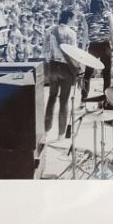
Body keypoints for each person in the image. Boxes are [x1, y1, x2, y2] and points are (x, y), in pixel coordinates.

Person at [44, 9, 77, 139]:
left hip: (53, 66)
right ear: (68, 19)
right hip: (65, 67)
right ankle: (61, 134)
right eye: (73, 19)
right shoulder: (72, 33)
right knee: (64, 101)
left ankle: (46, 130)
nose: (74, 21)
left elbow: (46, 51)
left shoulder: (50, 31)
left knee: (51, 98)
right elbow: (73, 53)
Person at [81, 0, 113, 100]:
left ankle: (84, 97)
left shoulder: (86, 17)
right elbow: (112, 32)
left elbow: (85, 35)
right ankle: (106, 99)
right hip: (105, 46)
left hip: (93, 46)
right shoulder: (108, 15)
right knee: (107, 74)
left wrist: (83, 49)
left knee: (88, 73)